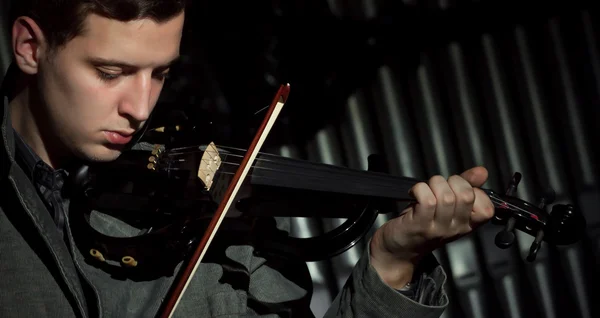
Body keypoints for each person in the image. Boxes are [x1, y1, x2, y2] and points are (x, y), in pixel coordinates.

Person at [0, 0, 495, 317]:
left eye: (161, 74)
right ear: (29, 47)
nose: (141, 107)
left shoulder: (204, 223)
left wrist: (393, 262)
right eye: (111, 72)